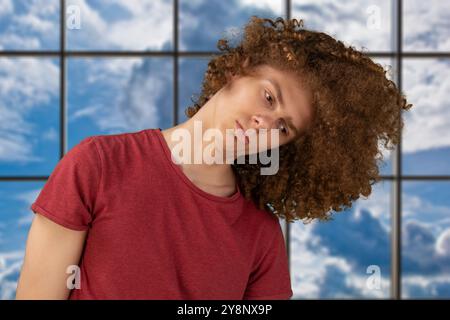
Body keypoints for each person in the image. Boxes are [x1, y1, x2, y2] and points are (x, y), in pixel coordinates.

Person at [15, 16, 412, 300]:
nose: (264, 122)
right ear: (238, 70)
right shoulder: (97, 165)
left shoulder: (261, 236)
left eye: (284, 127)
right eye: (269, 97)